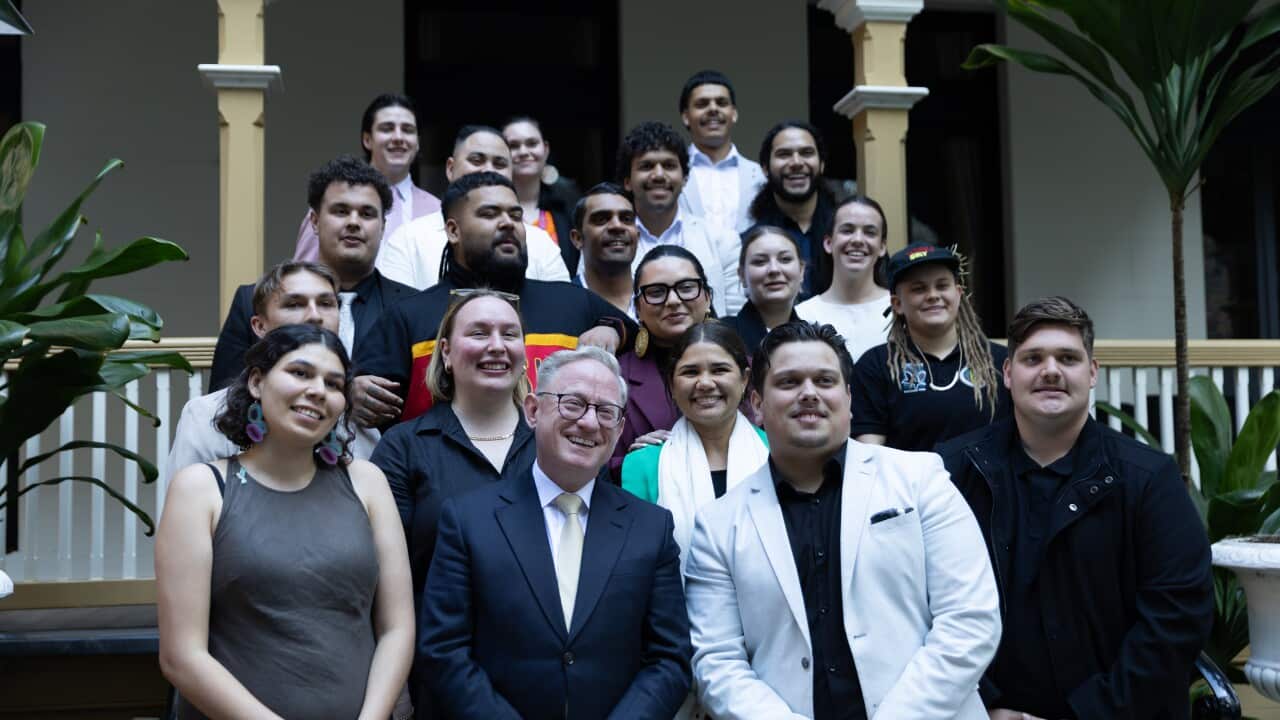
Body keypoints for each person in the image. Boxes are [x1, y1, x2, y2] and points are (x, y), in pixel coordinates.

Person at [684, 321, 1001, 719]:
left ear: (849, 398)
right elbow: (717, 661)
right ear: (757, 405)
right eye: (788, 382)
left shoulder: (922, 481)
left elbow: (970, 621)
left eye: (825, 380)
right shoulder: (718, 525)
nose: (809, 393)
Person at [936, 297, 1213, 720]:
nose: (1051, 370)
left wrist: (1086, 714)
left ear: (1092, 372)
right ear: (1008, 374)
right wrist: (983, 706)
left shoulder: (1149, 479)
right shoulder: (952, 473)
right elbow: (922, 601)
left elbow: (1176, 618)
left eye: (1068, 357)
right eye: (1033, 358)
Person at [418, 346, 692, 719]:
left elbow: (669, 660)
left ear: (619, 429)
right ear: (533, 410)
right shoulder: (469, 520)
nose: (589, 422)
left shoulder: (650, 528)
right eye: (572, 403)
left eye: (605, 411)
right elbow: (444, 650)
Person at [157, 325, 414, 720]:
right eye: (300, 373)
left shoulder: (367, 483)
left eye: (333, 383)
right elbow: (181, 657)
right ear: (257, 382)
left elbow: (397, 628)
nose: (317, 390)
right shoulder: (201, 489)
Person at [355, 172, 634, 427]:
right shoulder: (408, 317)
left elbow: (649, 341)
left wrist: (613, 328)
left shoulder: (572, 302)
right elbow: (357, 395)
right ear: (453, 231)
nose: (508, 223)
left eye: (515, 215)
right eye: (490, 214)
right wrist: (352, 392)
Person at [370, 290, 537, 716]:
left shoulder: (554, 444)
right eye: (478, 333)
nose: (496, 346)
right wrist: (398, 685)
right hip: (438, 679)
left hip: (544, 676)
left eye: (509, 334)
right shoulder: (403, 447)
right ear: (445, 353)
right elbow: (385, 580)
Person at [209, 156, 417, 393]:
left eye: (367, 214)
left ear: (382, 227)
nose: (353, 222)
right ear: (315, 222)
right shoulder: (253, 301)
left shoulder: (412, 308)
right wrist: (344, 393)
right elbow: (221, 396)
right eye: (341, 211)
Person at [169, 262, 340, 475]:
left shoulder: (356, 417)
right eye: (294, 304)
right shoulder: (204, 417)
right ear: (260, 326)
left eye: (326, 303)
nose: (315, 315)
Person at [851, 244, 1010, 451]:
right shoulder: (875, 366)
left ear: (959, 293)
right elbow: (870, 456)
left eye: (942, 286)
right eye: (919, 289)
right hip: (908, 484)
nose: (933, 295)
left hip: (987, 484)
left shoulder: (999, 361)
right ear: (897, 304)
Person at [376, 125, 570, 290]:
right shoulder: (408, 239)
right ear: (450, 169)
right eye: (477, 160)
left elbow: (563, 309)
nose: (488, 170)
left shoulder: (541, 243)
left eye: (500, 163)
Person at [294, 94, 441, 263]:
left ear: (418, 143)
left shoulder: (436, 209)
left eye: (407, 130)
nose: (398, 137)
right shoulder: (332, 201)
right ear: (367, 139)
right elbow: (304, 270)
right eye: (387, 129)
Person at [618, 121, 744, 316]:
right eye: (646, 166)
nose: (658, 175)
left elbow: (735, 319)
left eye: (669, 166)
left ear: (685, 178)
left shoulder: (723, 241)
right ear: (627, 181)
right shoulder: (607, 242)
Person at [611, 245, 715, 479]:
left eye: (686, 288)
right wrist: (634, 462)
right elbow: (595, 464)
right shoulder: (614, 376)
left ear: (707, 297)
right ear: (638, 308)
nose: (673, 300)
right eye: (657, 292)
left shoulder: (741, 368)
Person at [796, 195, 891, 362]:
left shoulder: (900, 310)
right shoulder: (803, 315)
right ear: (828, 243)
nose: (858, 240)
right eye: (847, 230)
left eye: (870, 232)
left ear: (882, 247)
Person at [746, 120, 835, 296]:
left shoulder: (845, 235)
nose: (796, 162)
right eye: (784, 154)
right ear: (765, 168)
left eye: (806, 153)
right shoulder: (750, 243)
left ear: (822, 164)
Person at [677, 70, 766, 234]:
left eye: (721, 103)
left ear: (734, 114)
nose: (713, 109)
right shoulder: (672, 174)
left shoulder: (760, 176)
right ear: (686, 117)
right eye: (702, 104)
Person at [503, 116, 582, 273]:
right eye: (513, 146)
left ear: (545, 149)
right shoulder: (489, 208)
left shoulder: (568, 205)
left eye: (532, 143)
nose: (524, 152)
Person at [724, 225, 804, 356]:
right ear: (742, 275)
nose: (774, 269)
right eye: (760, 261)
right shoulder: (720, 337)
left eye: (785, 259)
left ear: (801, 271)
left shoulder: (818, 340)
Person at [569, 182, 639, 318]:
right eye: (601, 219)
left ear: (638, 235)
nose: (617, 226)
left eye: (626, 219)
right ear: (577, 238)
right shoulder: (562, 304)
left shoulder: (657, 300)